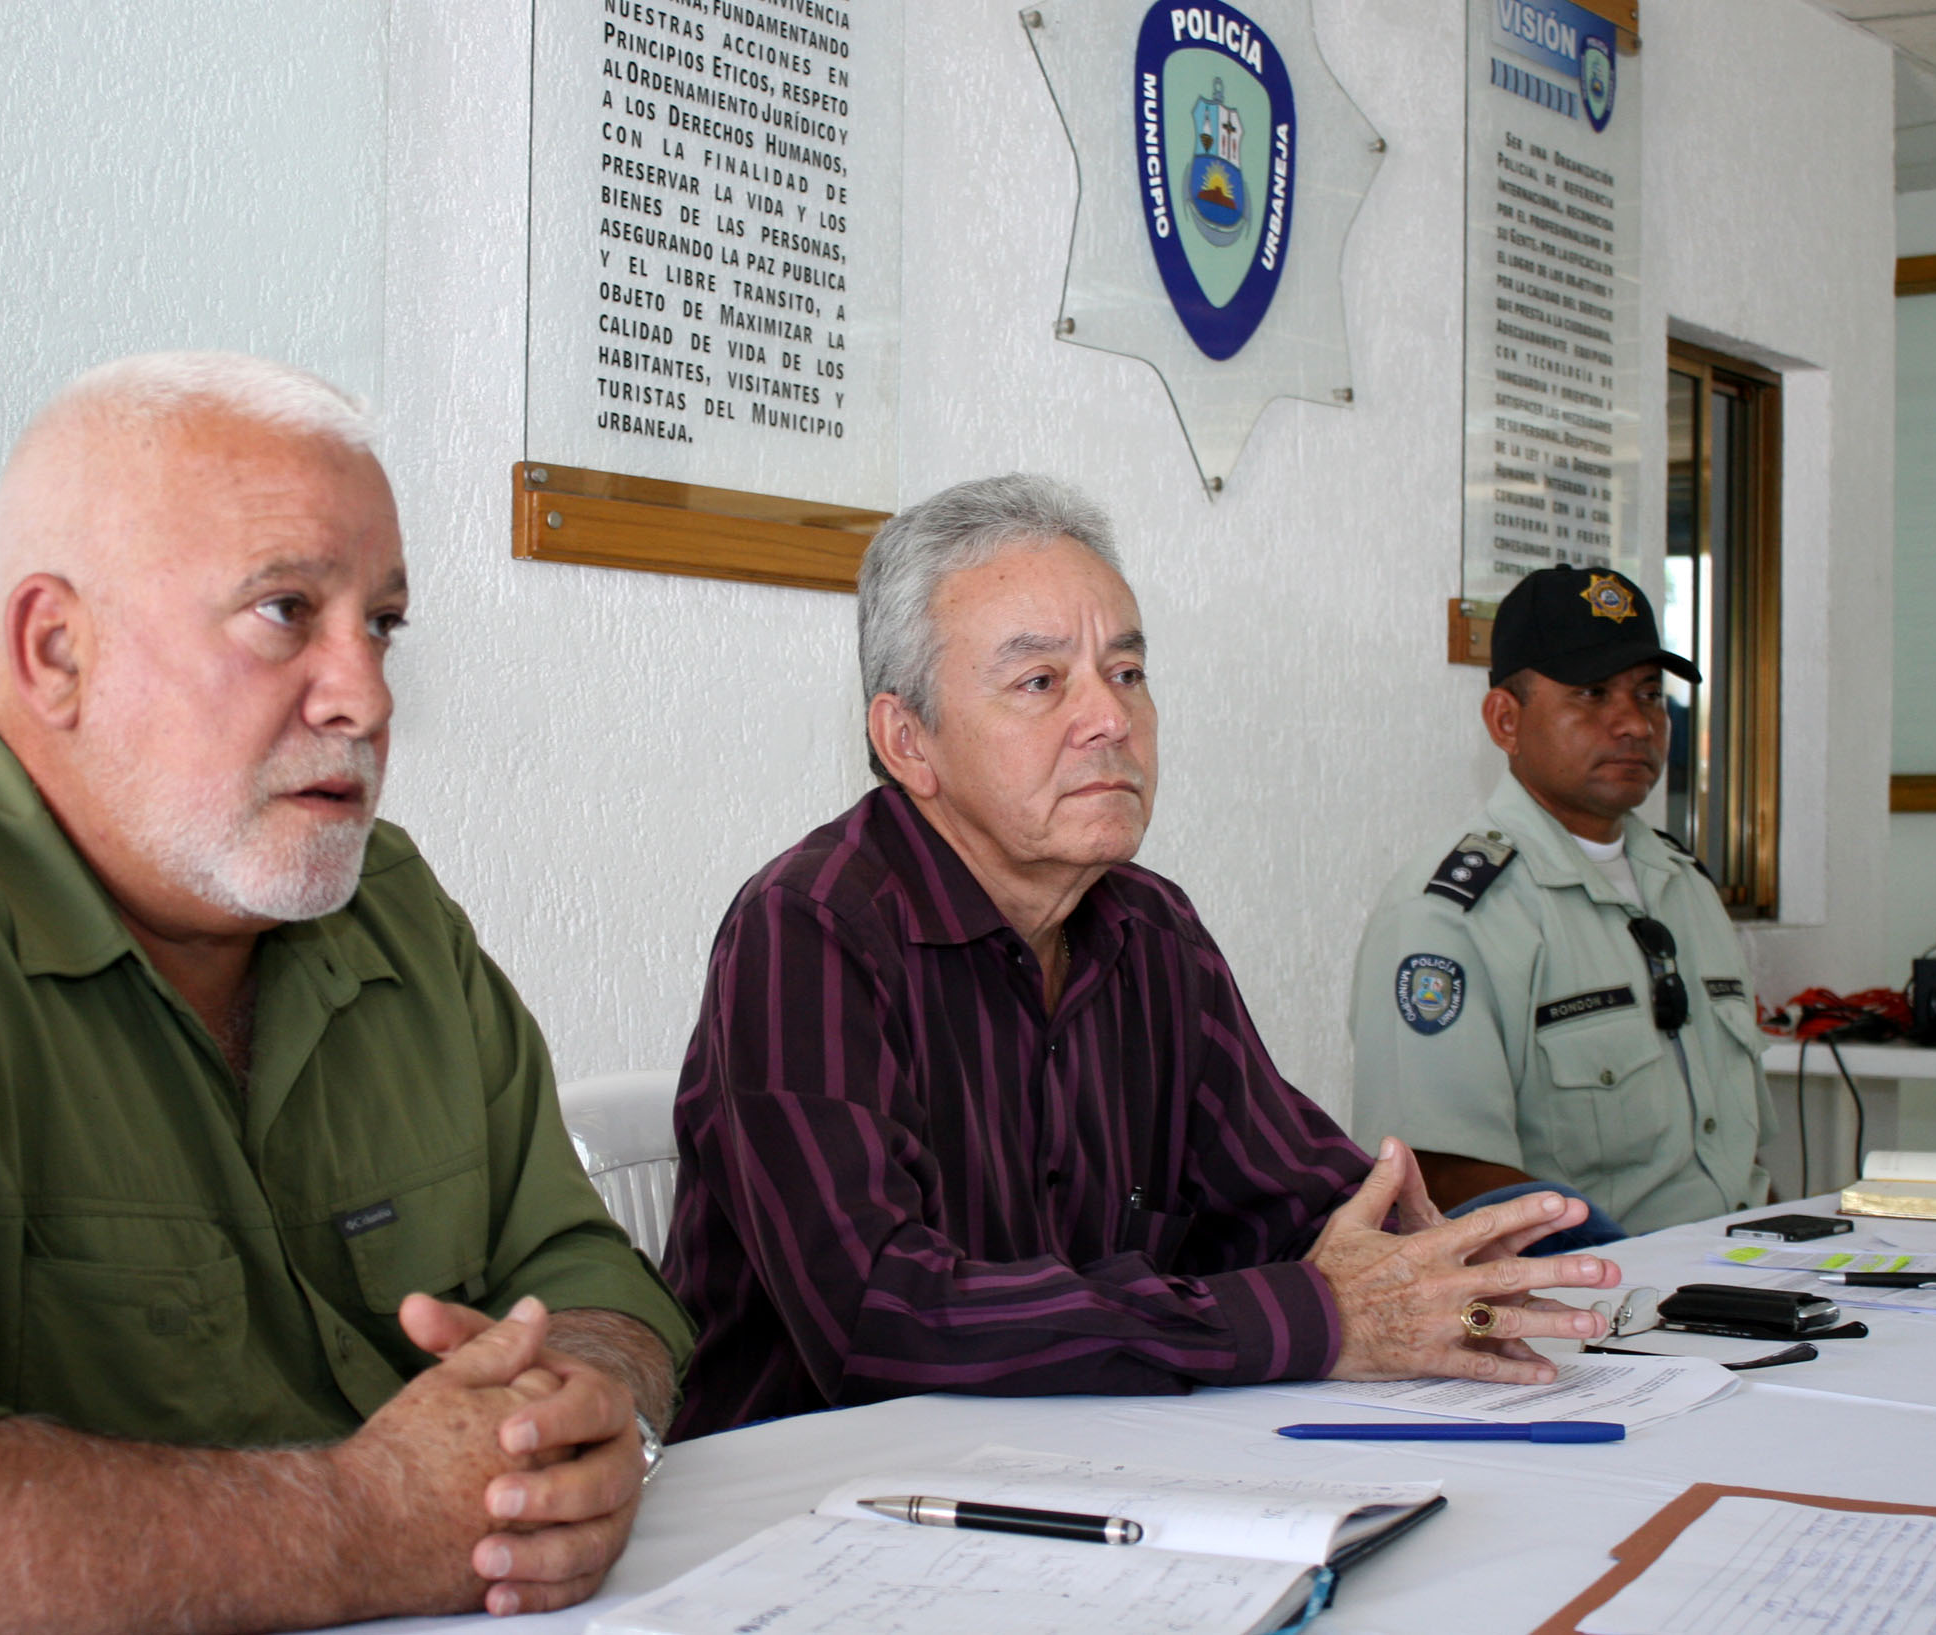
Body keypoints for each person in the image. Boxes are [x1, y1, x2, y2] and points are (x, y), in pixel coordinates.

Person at [0, 353, 694, 1631]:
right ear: (56, 648)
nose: (366, 692)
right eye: (287, 609)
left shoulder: (387, 902)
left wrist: (586, 1407)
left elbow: (573, 1254)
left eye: (383, 622)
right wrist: (359, 1521)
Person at [660, 474, 1620, 1440]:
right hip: (816, 1501)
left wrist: (1421, 1262)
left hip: (1096, 1463)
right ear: (908, 741)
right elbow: (881, 1316)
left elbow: (1298, 1204)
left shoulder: (1151, 930)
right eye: (1041, 682)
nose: (1111, 720)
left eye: (1126, 672)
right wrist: (1315, 1315)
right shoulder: (808, 929)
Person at [1350, 563, 1774, 1240]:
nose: (1634, 723)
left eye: (1649, 694)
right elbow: (1438, 1175)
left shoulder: (1686, 889)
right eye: (1593, 693)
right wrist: (1612, 1272)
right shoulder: (1448, 917)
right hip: (1594, 1302)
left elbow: (1738, 1151)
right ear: (1505, 719)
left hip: (1741, 1274)